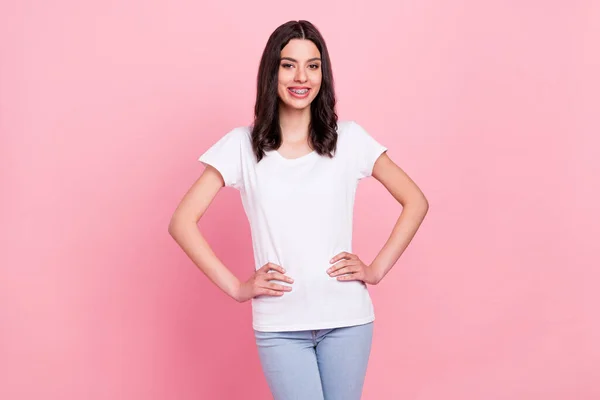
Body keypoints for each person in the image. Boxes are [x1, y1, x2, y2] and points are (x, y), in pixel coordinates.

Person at [168, 20, 429, 400]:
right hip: (279, 324)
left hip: (347, 319)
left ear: (323, 73)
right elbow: (182, 222)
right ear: (271, 71)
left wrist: (375, 269)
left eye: (313, 65)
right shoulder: (242, 146)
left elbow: (415, 201)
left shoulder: (349, 139)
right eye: (288, 64)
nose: (301, 76)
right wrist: (238, 288)